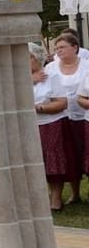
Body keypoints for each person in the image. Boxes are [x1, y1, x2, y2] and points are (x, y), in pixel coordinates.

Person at [30, 43, 75, 212]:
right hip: (31, 126)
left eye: (29, 57)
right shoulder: (18, 78)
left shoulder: (51, 75)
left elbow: (62, 103)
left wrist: (39, 107)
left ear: (37, 58)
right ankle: (40, 196)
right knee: (36, 161)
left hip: (51, 124)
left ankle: (56, 197)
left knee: (53, 162)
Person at [46, 33, 89, 205]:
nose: (59, 51)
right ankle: (74, 192)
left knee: (83, 152)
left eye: (62, 47)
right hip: (62, 118)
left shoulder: (86, 66)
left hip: (83, 117)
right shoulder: (51, 68)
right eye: (57, 48)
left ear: (75, 47)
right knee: (70, 155)